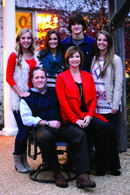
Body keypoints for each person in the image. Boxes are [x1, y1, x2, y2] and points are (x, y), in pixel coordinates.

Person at [20, 67, 96, 188]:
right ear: (32, 80)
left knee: (80, 134)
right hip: (43, 128)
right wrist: (46, 123)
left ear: (46, 79)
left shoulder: (55, 91)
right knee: (45, 137)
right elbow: (26, 119)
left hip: (62, 126)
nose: (40, 80)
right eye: (37, 77)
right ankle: (56, 172)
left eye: (42, 77)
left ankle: (83, 175)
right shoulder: (27, 98)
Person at [56, 46, 121, 176]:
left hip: (87, 115)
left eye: (77, 56)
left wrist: (90, 116)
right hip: (72, 117)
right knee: (102, 127)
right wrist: (76, 120)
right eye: (72, 57)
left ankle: (110, 165)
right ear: (67, 59)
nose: (75, 59)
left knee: (110, 128)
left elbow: (93, 100)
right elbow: (64, 104)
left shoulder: (87, 76)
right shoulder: (62, 78)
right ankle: (100, 167)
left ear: (81, 59)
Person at [6, 28, 38, 173]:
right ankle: (17, 161)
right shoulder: (14, 56)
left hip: (31, 98)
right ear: (19, 40)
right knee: (23, 130)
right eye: (23, 38)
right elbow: (8, 77)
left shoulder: (34, 56)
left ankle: (24, 161)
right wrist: (20, 93)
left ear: (31, 40)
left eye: (28, 38)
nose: (26, 41)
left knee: (28, 130)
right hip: (18, 99)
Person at [90, 31, 123, 145]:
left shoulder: (115, 59)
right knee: (100, 135)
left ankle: (112, 162)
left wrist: (115, 104)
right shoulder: (94, 59)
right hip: (97, 104)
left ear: (109, 42)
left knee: (111, 136)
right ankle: (100, 162)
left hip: (109, 104)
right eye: (99, 40)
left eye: (104, 40)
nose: (101, 42)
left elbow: (119, 83)